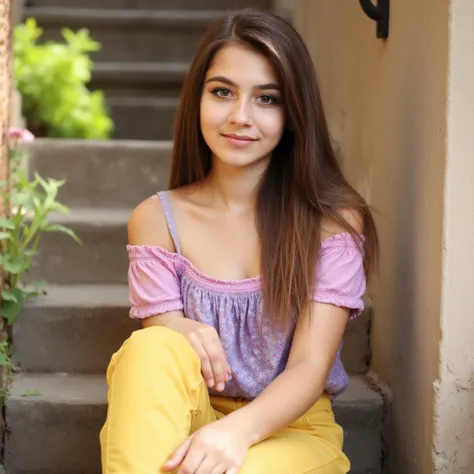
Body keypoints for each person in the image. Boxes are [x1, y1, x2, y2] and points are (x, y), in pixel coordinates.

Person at [100, 8, 379, 474]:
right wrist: (175, 327)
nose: (239, 116)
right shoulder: (156, 220)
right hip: (185, 417)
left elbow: (310, 367)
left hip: (291, 430)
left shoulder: (331, 223)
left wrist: (235, 432)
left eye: (267, 99)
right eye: (222, 92)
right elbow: (160, 356)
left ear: (293, 114)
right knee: (148, 351)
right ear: (198, 98)